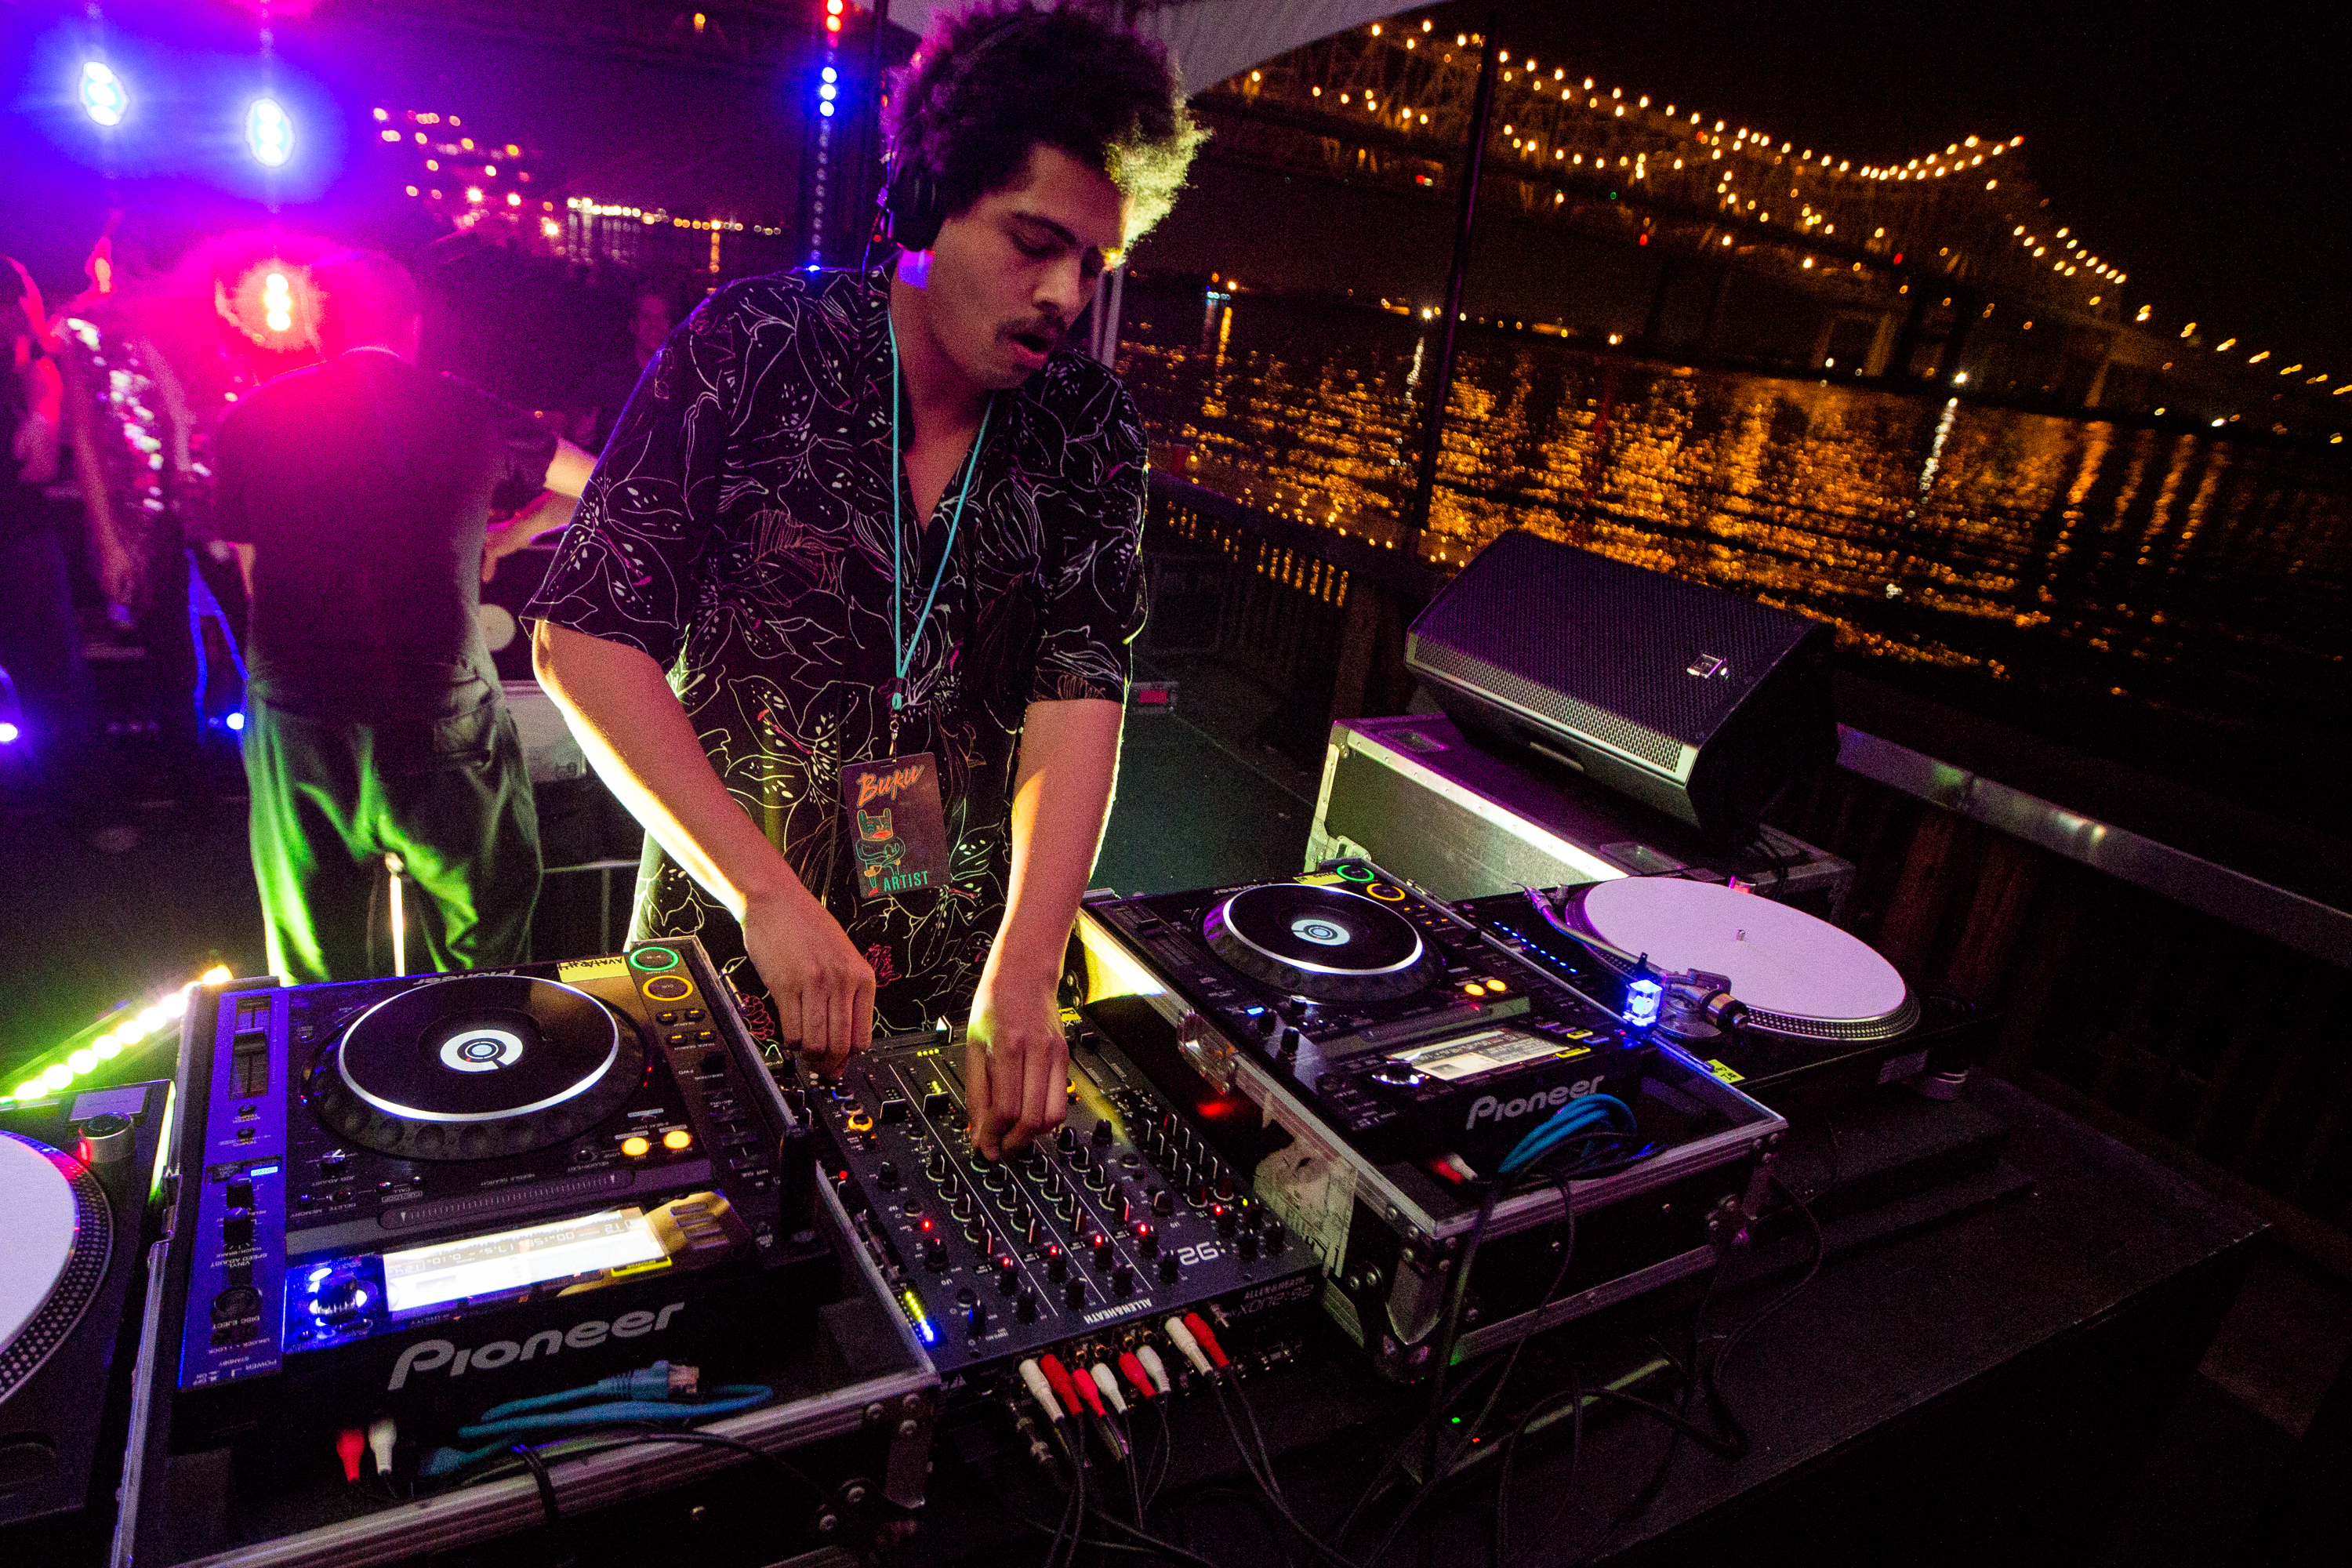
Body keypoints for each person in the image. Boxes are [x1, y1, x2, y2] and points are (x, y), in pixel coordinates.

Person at [528, 0, 1202, 1157]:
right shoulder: (748, 346)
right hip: (726, 941)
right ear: (928, 205)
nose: (1065, 295)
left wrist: (1029, 967)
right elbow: (585, 637)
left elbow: (1080, 688)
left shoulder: (1089, 426)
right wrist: (767, 898)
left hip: (970, 980)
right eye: (1034, 243)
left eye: (1095, 262)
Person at [212, 249, 595, 982]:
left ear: (315, 326)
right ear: (412, 327)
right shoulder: (469, 409)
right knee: (485, 944)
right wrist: (507, 536)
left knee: (314, 966)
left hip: (300, 720)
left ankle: (328, 1088)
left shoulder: (250, 419)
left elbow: (254, 574)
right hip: (441, 710)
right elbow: (601, 486)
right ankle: (476, 1070)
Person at [572, 285, 673, 452]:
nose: (655, 325)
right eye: (647, 318)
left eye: (661, 318)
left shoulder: (685, 378)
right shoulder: (606, 379)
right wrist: (582, 433)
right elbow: (579, 427)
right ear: (633, 325)